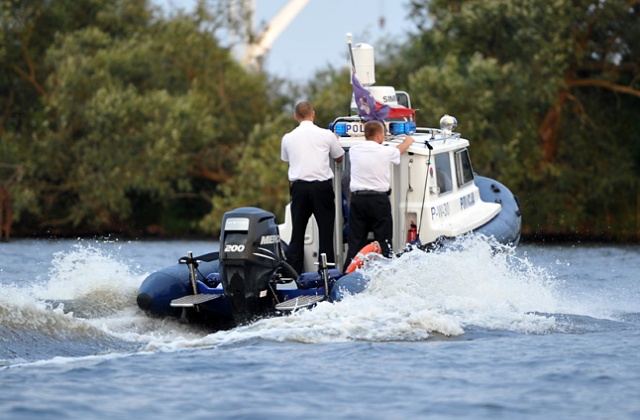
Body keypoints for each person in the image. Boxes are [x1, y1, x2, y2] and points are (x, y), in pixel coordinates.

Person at [281, 101, 344, 274]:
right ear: (313, 114)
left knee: (298, 232)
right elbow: (339, 157)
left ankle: (294, 273)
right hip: (321, 188)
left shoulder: (287, 138)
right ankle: (326, 273)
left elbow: (286, 159)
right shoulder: (326, 135)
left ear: (295, 117)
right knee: (325, 232)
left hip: (299, 189)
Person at [343, 120, 414, 271]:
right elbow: (399, 150)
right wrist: (408, 140)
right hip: (378, 201)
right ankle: (386, 273)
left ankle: (347, 275)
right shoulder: (385, 151)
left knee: (355, 241)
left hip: (358, 200)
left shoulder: (354, 150)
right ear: (380, 135)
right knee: (383, 241)